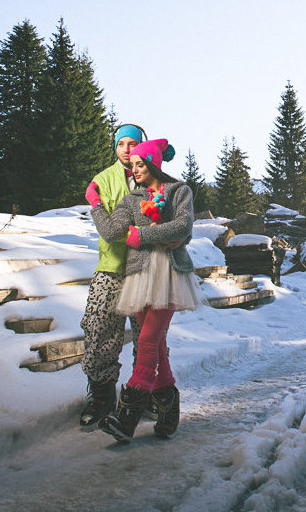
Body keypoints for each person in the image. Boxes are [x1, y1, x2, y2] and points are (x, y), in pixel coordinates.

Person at [90, 138, 203, 442]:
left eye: (141, 163)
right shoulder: (131, 199)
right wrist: (97, 204)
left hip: (169, 274)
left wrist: (141, 235)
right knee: (150, 342)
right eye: (133, 164)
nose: (135, 168)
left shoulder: (179, 190)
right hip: (139, 274)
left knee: (150, 338)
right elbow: (114, 232)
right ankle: (168, 404)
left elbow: (182, 227)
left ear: (154, 163)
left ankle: (127, 416)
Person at [78, 124, 146, 428]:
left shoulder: (154, 178)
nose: (128, 149)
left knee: (148, 337)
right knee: (100, 330)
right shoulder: (103, 180)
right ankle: (102, 397)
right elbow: (108, 229)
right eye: (122, 144)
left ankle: (144, 396)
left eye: (133, 143)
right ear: (115, 148)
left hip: (146, 269)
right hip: (111, 268)